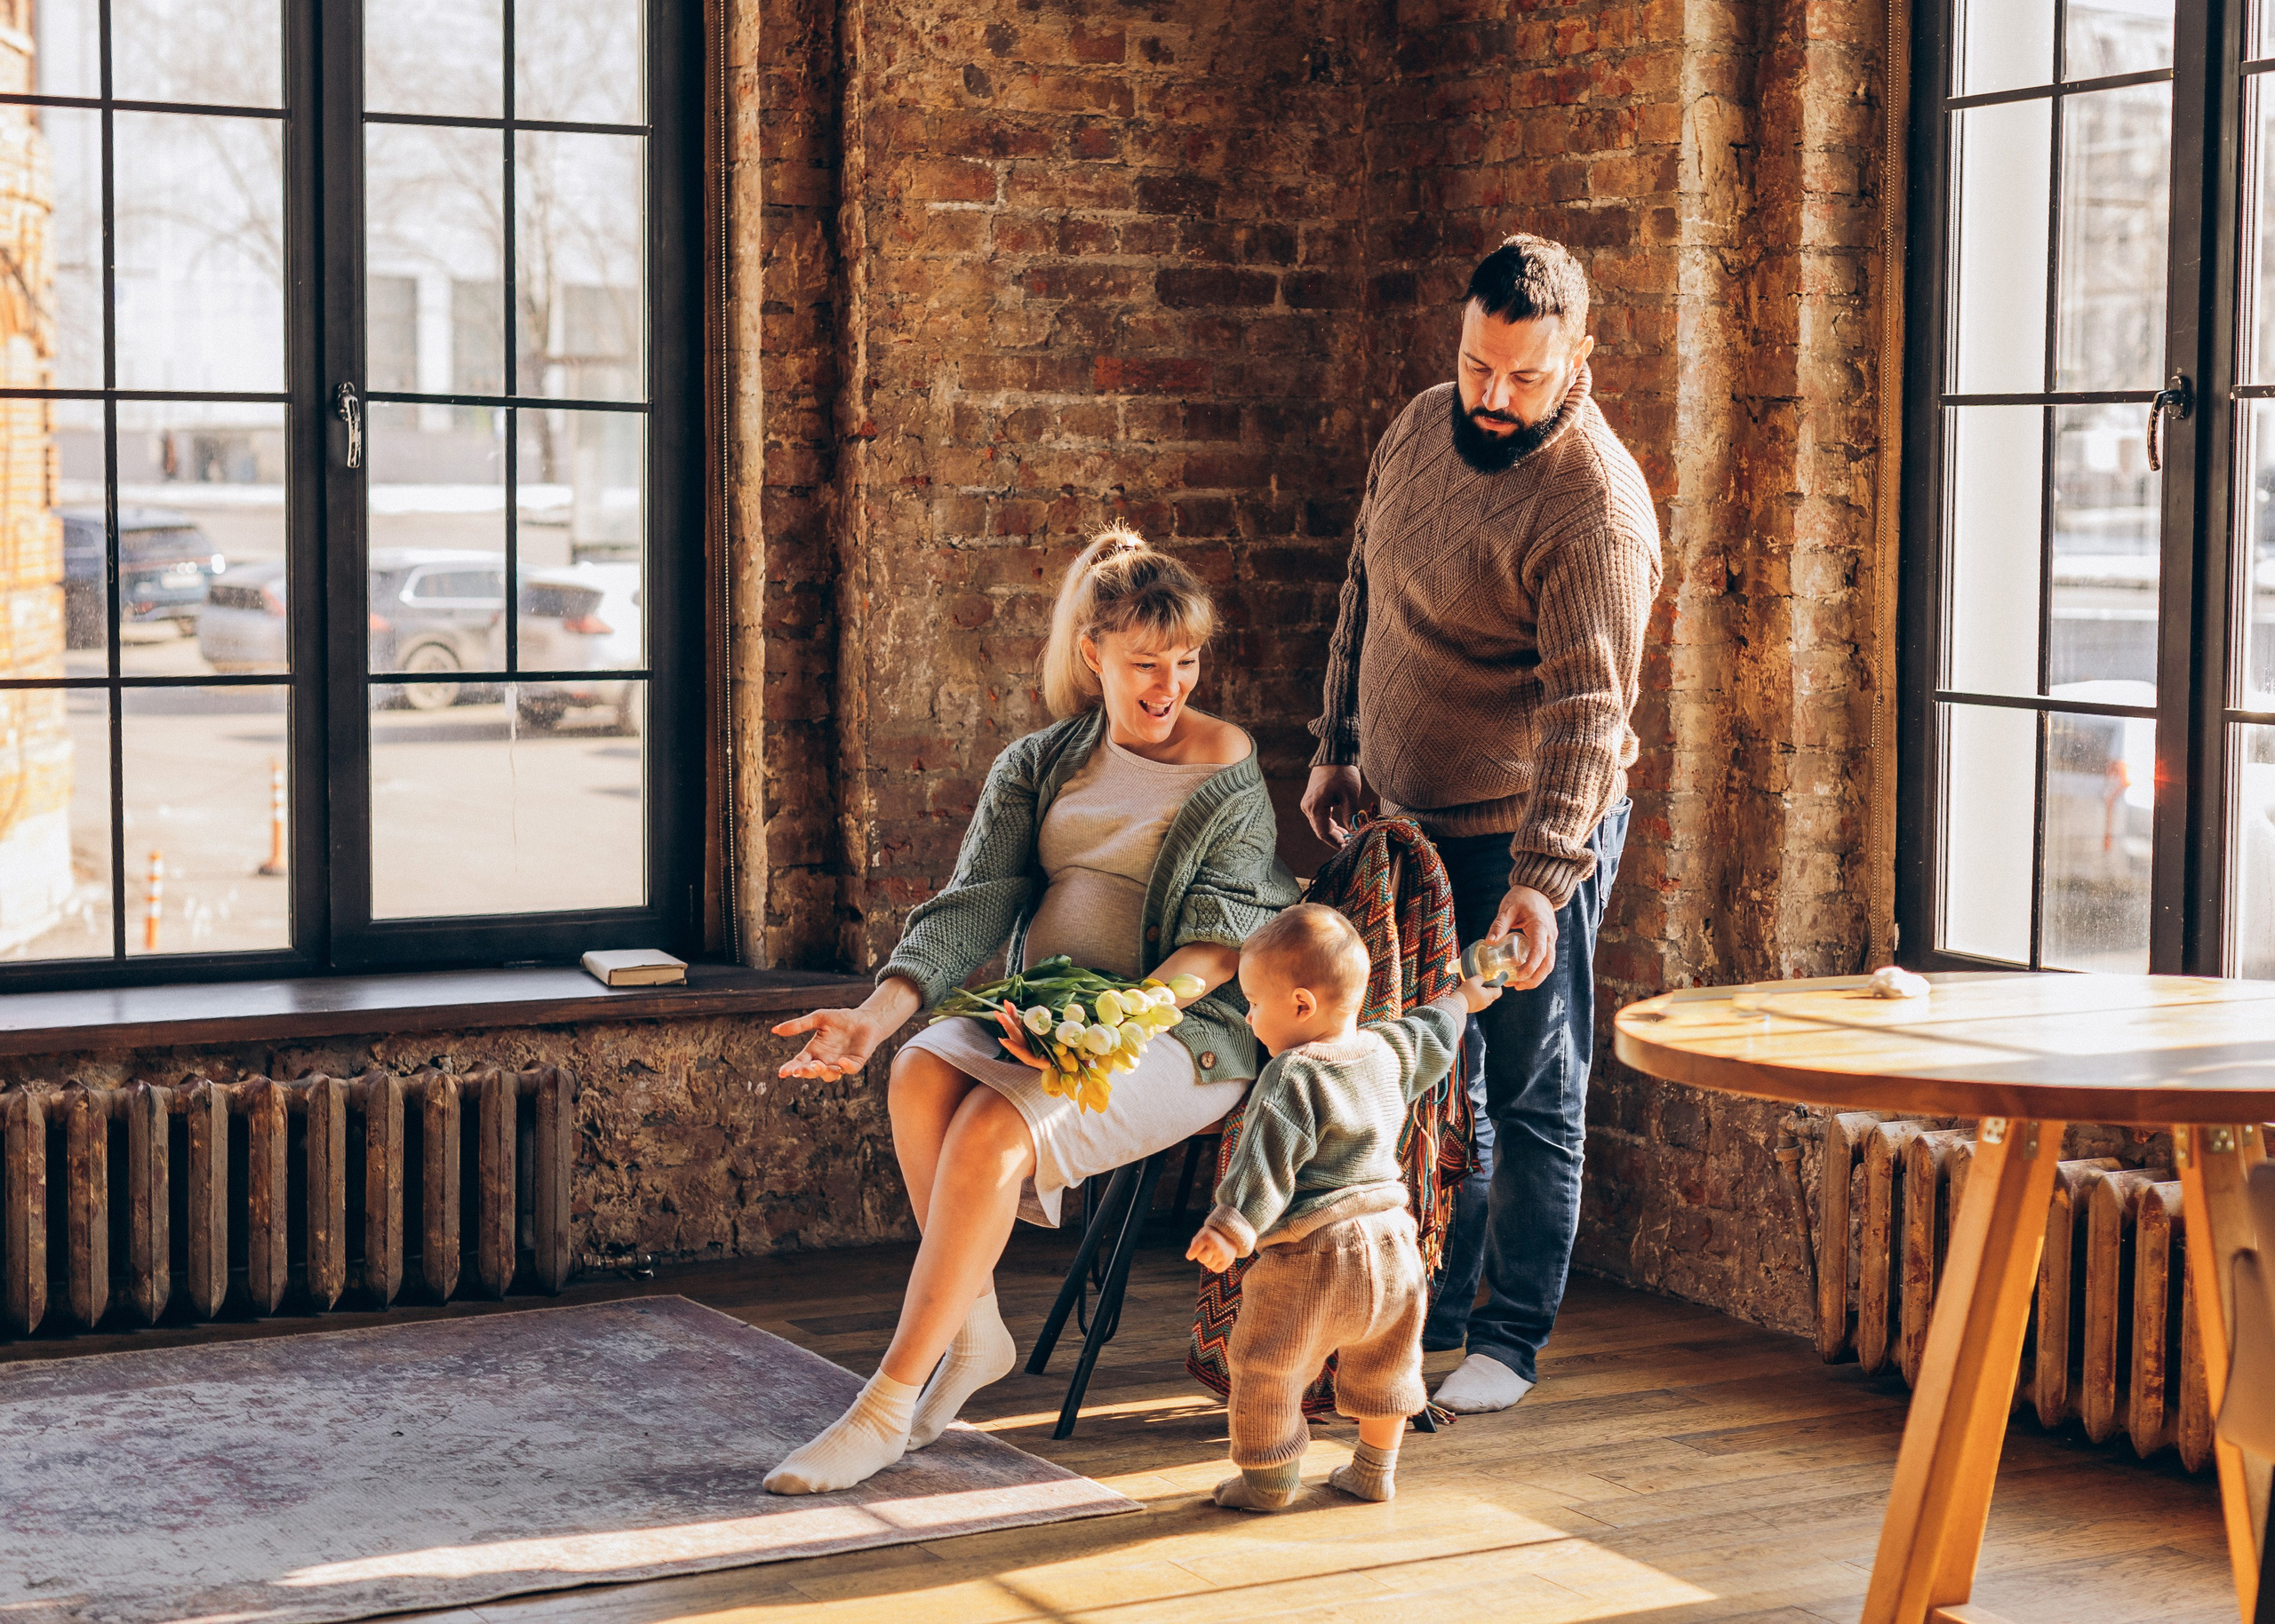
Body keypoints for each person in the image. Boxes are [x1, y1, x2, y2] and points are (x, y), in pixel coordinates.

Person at [764, 526, 1300, 1494]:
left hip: (1176, 1031)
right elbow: (973, 902)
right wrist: (875, 1014)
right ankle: (973, 1332)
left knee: (989, 1133)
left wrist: (1120, 1019)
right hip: (1040, 1006)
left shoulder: (1226, 769)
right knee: (920, 1066)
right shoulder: (1039, 761)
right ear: (1091, 654)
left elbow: (1220, 945)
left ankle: (884, 1406)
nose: (1168, 684)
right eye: (1144, 663)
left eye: (1184, 661)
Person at [1301, 234, 1662, 1414]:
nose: (1494, 401)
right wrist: (1335, 744)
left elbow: (1588, 714)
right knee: (1417, 1085)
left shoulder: (1593, 506)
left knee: (1528, 1084)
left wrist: (1546, 880)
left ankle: (1509, 1338)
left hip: (1523, 837)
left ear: (1580, 362)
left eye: (1525, 379)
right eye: (1476, 370)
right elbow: (1366, 585)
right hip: (1402, 819)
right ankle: (1434, 1308)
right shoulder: (1417, 426)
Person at [1187, 904, 1502, 1510]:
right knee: (1387, 1365)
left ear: (1300, 1005)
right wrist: (1466, 996)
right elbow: (1434, 1030)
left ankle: (1269, 1482)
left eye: (1254, 1002)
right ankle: (1373, 1471)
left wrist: (1231, 1227)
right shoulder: (1387, 1050)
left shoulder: (1293, 1073)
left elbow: (1264, 1163)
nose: (1249, 1015)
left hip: (1312, 1253)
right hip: (1393, 1246)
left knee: (1266, 1365)